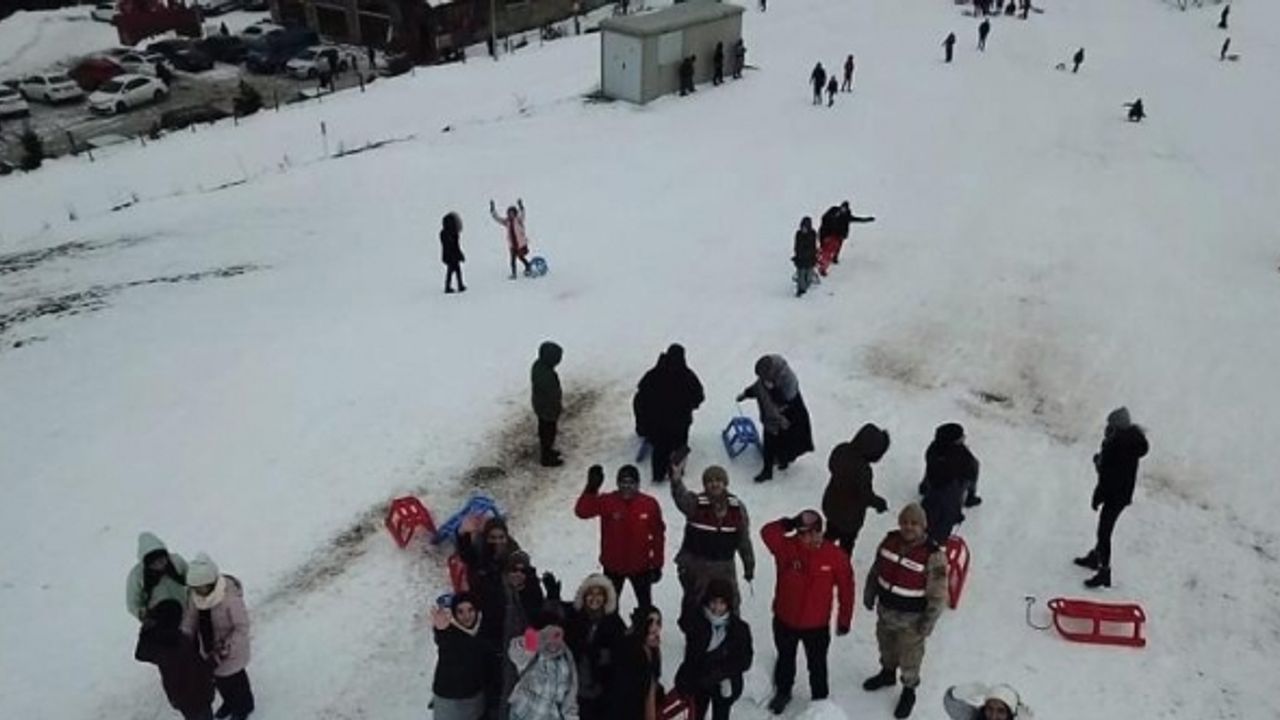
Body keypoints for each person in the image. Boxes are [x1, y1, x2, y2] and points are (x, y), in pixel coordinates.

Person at [760, 511, 854, 715]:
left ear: (822, 531)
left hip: (817, 625)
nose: (809, 538)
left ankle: (820, 702)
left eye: (814, 533)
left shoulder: (836, 556)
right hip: (785, 619)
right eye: (803, 533)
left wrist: (844, 619)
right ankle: (783, 692)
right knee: (786, 658)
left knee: (817, 665)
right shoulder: (786, 548)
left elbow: (847, 589)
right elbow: (767, 532)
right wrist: (788, 523)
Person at [862, 504, 947, 719]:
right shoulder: (889, 541)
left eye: (914, 523)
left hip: (912, 620)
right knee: (886, 646)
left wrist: (928, 623)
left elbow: (938, 595)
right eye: (905, 522)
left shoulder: (933, 555)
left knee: (910, 657)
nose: (908, 527)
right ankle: (887, 673)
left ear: (923, 526)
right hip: (886, 611)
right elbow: (876, 569)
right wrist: (870, 592)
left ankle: (909, 690)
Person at [1075, 407, 1149, 588]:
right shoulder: (1132, 442)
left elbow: (1107, 475)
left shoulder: (1116, 444)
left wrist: (1097, 495)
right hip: (1122, 493)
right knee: (1104, 528)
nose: (1108, 427)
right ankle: (1095, 556)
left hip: (1114, 494)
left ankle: (1104, 572)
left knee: (1104, 532)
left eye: (1111, 424)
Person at [671, 462, 756, 618]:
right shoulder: (696, 503)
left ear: (725, 483)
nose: (714, 484)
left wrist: (749, 565)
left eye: (718, 480)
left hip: (724, 566)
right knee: (695, 605)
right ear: (705, 485)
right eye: (710, 481)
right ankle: (695, 638)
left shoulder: (737, 508)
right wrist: (676, 480)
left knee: (731, 603)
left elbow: (743, 540)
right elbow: (680, 497)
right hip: (696, 566)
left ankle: (730, 637)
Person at [574, 464, 666, 608]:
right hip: (613, 566)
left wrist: (657, 564)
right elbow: (582, 511)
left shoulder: (649, 504)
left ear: (638, 484)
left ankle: (644, 630)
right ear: (617, 483)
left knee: (645, 606)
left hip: (641, 567)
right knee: (610, 608)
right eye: (623, 482)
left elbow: (658, 536)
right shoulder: (607, 501)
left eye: (631, 483)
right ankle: (613, 630)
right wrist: (591, 488)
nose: (627, 487)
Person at [181, 554, 254, 720]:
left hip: (231, 651)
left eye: (203, 587)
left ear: (212, 582)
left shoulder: (229, 598)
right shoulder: (195, 597)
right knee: (220, 681)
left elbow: (242, 627)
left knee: (236, 681)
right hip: (209, 649)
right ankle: (229, 702)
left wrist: (226, 647)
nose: (199, 591)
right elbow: (191, 619)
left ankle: (243, 707)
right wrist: (184, 636)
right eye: (196, 587)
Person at [545, 574, 626, 720]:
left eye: (599, 594)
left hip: (601, 690)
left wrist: (603, 656)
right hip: (574, 689)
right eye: (590, 594)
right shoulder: (574, 615)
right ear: (584, 596)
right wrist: (552, 597)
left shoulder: (614, 622)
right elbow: (551, 617)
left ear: (606, 597)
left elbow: (623, 655)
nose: (594, 598)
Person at [478, 550, 547, 720]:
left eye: (523, 571)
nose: (518, 575)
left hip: (526, 653)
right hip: (499, 649)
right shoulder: (497, 591)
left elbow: (536, 624)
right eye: (513, 570)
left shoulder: (533, 591)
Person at [675, 580, 754, 720]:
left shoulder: (739, 629)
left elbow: (745, 660)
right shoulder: (697, 622)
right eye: (714, 602)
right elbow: (691, 656)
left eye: (722, 603)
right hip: (700, 680)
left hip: (725, 682)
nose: (717, 608)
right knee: (696, 713)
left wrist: (720, 672)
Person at [633, 344, 705, 482]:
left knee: (660, 449)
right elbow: (699, 396)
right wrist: (690, 406)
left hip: (658, 422)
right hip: (681, 422)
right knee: (680, 446)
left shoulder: (654, 374)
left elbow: (641, 393)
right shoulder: (688, 376)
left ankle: (658, 476)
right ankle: (676, 473)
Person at [737, 355, 814, 483]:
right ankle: (771, 467)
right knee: (772, 441)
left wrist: (772, 389)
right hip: (773, 416)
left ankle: (778, 464)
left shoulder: (789, 380)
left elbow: (786, 400)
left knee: (784, 440)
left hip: (789, 415)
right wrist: (745, 394)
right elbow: (758, 387)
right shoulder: (767, 376)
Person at [135, 600, 215, 720]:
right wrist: (213, 662)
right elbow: (200, 668)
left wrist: (146, 631)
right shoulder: (180, 643)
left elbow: (141, 653)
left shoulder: (158, 646)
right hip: (199, 696)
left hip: (179, 698)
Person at [822, 423, 891, 554]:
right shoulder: (863, 470)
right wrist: (878, 503)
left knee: (830, 531)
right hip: (849, 517)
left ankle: (821, 552)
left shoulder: (841, 449)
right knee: (846, 544)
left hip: (831, 504)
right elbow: (865, 496)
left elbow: (831, 466)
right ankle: (842, 565)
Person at [919, 423, 981, 548]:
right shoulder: (959, 455)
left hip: (933, 479)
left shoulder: (933, 448)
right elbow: (969, 469)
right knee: (973, 468)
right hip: (949, 485)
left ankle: (924, 487)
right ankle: (970, 497)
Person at [508, 615, 579, 720]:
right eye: (550, 635)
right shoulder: (532, 650)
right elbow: (515, 652)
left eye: (557, 635)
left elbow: (570, 697)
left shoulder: (566, 656)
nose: (553, 640)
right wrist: (540, 636)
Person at [431, 594, 490, 720]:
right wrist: (440, 629)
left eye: (470, 610)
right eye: (460, 612)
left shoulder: (482, 630)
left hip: (475, 698)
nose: (466, 616)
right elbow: (443, 639)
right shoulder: (450, 632)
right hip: (449, 700)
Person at [608, 606, 664, 720]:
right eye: (650, 622)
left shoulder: (653, 648)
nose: (655, 627)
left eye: (658, 622)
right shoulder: (629, 647)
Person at [127, 532, 190, 621]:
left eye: (161, 559)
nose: (159, 564)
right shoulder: (137, 575)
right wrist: (143, 614)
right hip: (159, 619)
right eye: (154, 563)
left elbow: (192, 579)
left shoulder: (177, 562)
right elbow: (132, 603)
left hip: (185, 612)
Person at [458, 516, 522, 592]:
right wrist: (464, 536)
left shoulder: (513, 549)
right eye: (493, 538)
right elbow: (466, 557)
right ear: (486, 537)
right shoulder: (480, 545)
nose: (498, 542)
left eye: (501, 537)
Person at [531, 341, 564, 467]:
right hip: (547, 409)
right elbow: (552, 393)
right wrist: (556, 407)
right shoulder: (546, 375)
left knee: (545, 430)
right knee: (548, 432)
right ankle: (546, 457)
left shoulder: (539, 366)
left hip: (541, 406)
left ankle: (547, 451)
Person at [490, 198, 533, 279]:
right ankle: (514, 274)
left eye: (512, 213)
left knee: (521, 257)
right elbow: (497, 218)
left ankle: (528, 266)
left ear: (515, 213)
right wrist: (493, 210)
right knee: (512, 260)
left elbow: (523, 213)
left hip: (520, 243)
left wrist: (521, 206)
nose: (511, 215)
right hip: (512, 244)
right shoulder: (507, 222)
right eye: (509, 213)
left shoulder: (519, 220)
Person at [944, 683, 1034, 719]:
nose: (993, 717)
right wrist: (957, 692)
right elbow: (951, 705)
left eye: (1001, 711)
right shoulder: (975, 717)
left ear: (1009, 714)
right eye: (990, 709)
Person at [441, 212, 466, 293]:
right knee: (453, 271)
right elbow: (455, 247)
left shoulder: (445, 233)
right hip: (452, 256)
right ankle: (454, 286)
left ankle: (457, 285)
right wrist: (459, 255)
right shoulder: (451, 234)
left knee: (454, 271)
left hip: (449, 256)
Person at [792, 217, 818, 297]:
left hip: (810, 258)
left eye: (805, 227)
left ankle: (807, 283)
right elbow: (797, 246)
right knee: (801, 273)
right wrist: (797, 255)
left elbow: (813, 246)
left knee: (808, 274)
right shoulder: (798, 234)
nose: (804, 229)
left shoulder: (812, 234)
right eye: (802, 227)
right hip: (801, 258)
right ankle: (801, 289)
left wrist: (813, 256)